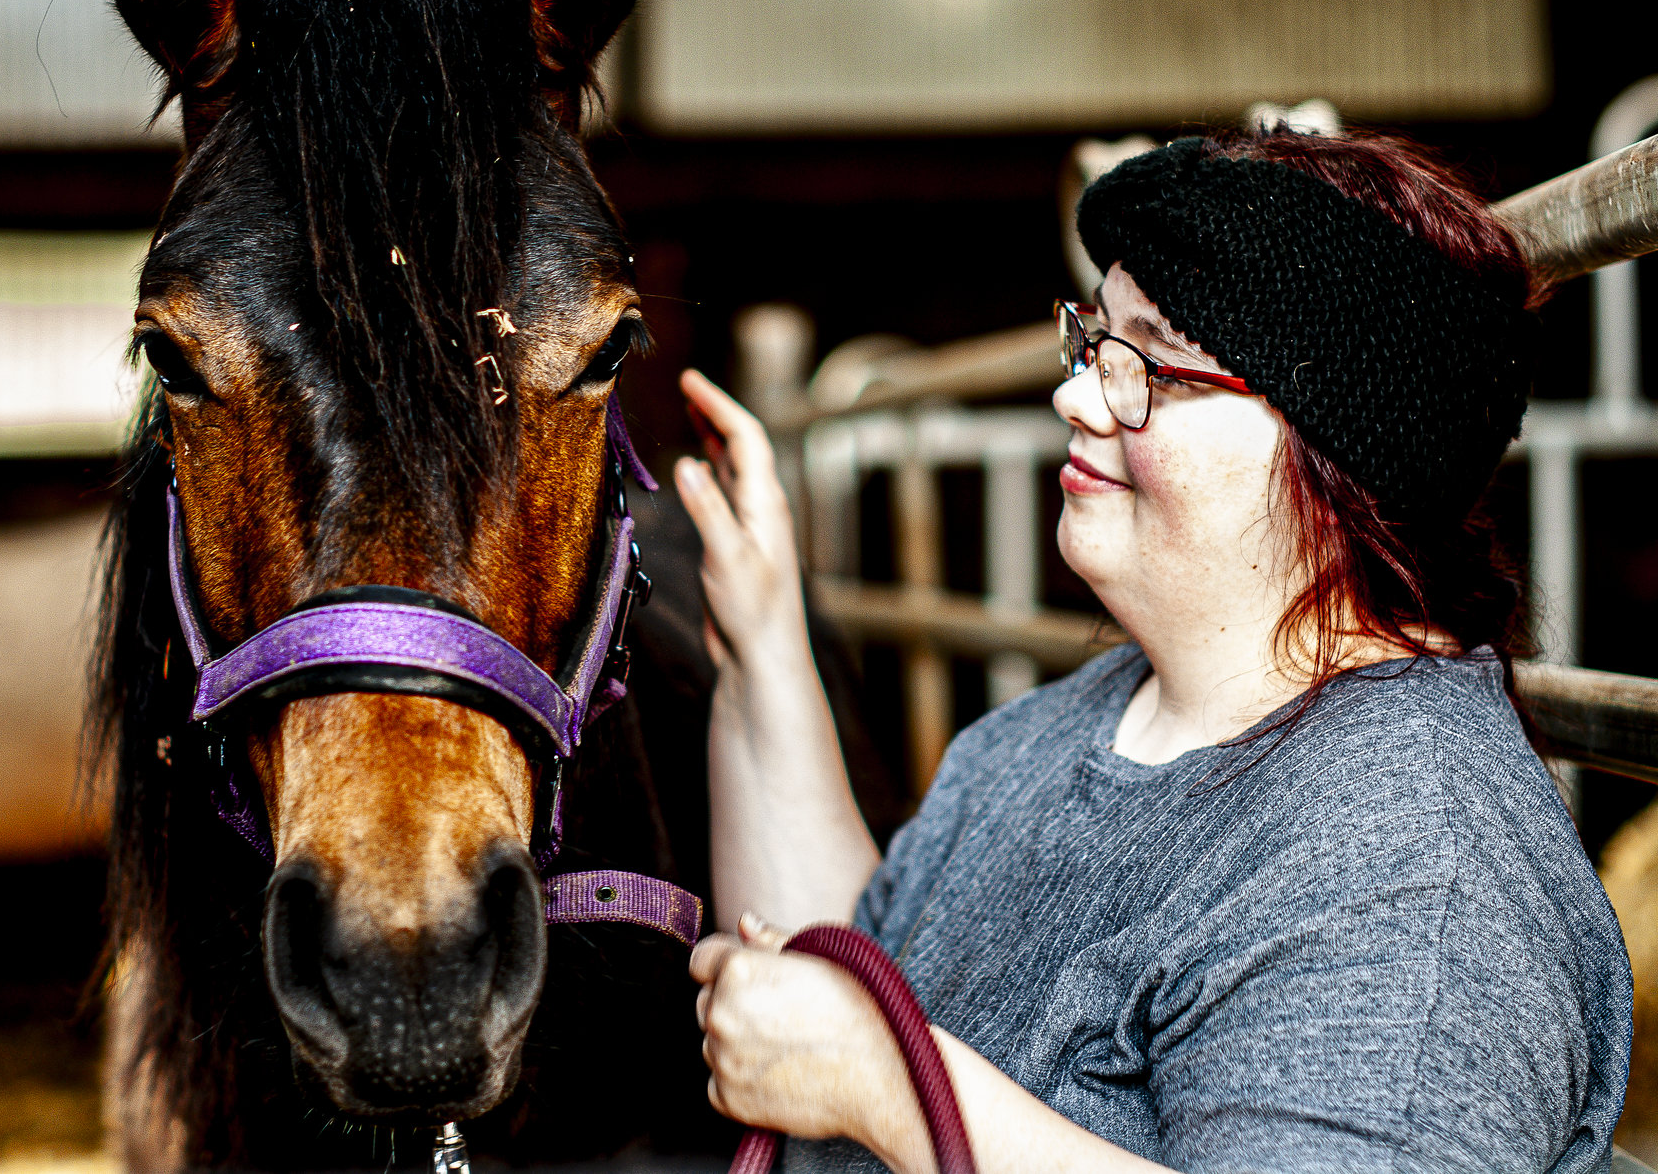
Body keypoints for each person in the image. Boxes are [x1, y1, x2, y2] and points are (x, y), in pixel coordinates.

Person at [677, 128, 1633, 1174]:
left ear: (1336, 461)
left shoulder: (1413, 874)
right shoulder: (1063, 727)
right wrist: (761, 636)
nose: (1076, 396)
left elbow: (866, 1055)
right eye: (1092, 343)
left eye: (1155, 371)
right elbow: (850, 972)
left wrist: (892, 1092)